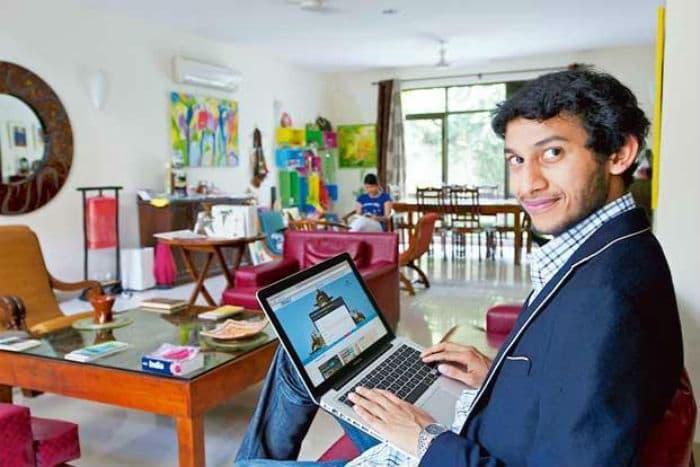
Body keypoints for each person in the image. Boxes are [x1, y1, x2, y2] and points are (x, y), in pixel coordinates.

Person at [235, 69, 683, 466]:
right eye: (516, 159)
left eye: (552, 153)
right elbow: (566, 390)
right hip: (480, 429)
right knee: (299, 361)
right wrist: (498, 380)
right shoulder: (615, 250)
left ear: (619, 153)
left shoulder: (609, 298)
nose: (527, 184)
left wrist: (424, 439)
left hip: (452, 453)